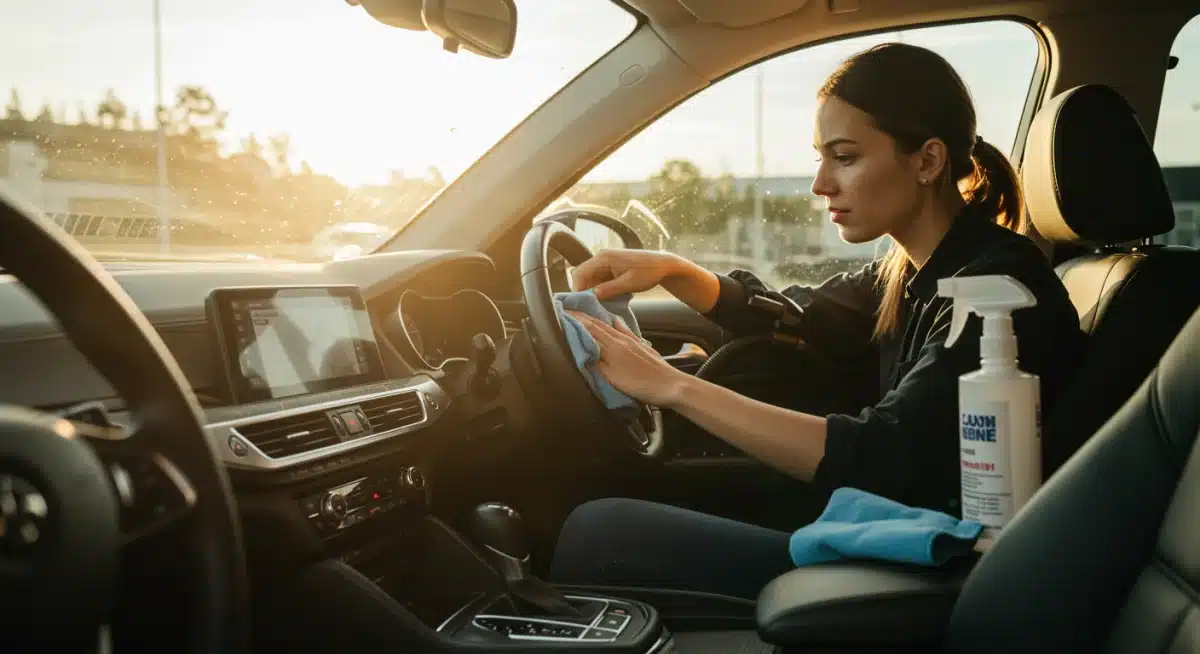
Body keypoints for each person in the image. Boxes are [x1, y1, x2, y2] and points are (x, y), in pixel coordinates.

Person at [549, 42, 1086, 601]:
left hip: (930, 562)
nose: (820, 184)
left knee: (596, 531)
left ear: (928, 161)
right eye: (820, 158)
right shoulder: (910, 271)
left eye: (845, 157)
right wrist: (676, 271)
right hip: (883, 524)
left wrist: (671, 387)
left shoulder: (999, 290)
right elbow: (801, 317)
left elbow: (881, 457)